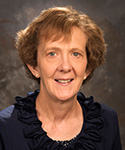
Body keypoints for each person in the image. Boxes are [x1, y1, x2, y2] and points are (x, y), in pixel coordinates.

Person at [0, 6, 122, 150]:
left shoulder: (107, 121)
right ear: (34, 66)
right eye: (52, 53)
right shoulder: (5, 127)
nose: (65, 67)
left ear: (87, 68)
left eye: (75, 54)